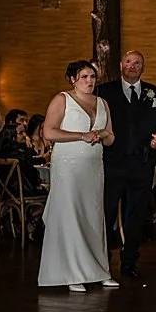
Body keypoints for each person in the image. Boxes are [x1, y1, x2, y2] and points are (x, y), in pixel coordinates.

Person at [37, 61, 121, 293]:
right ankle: (71, 272)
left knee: (93, 216)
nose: (89, 81)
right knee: (71, 214)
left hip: (94, 166)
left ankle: (99, 270)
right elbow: (49, 131)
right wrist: (81, 135)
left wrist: (103, 134)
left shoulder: (102, 103)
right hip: (68, 165)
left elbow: (111, 137)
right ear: (72, 79)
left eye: (92, 76)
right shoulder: (62, 99)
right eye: (84, 76)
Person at [97, 50, 156, 279]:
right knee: (106, 212)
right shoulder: (104, 92)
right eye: (128, 62)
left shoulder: (154, 93)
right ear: (121, 65)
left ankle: (129, 260)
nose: (132, 65)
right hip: (112, 163)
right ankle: (102, 259)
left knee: (137, 214)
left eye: (137, 62)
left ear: (143, 67)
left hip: (142, 163)